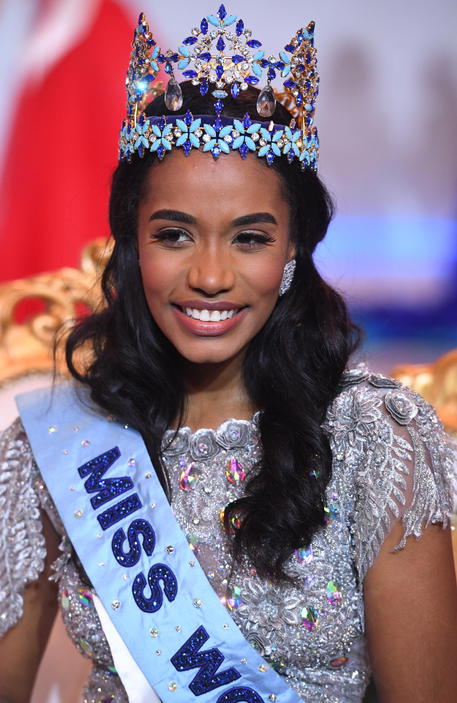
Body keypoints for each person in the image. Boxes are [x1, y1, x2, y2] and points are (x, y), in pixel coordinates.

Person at [1, 7, 456, 703]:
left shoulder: (376, 444)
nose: (210, 276)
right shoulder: (59, 442)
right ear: (131, 244)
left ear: (293, 248)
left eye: (249, 238)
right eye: (175, 235)